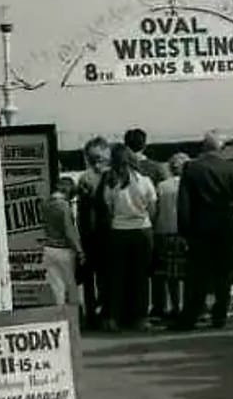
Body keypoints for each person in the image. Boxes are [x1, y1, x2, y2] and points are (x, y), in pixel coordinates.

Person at [173, 133, 233, 331]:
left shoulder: (192, 168)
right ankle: (220, 315)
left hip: (199, 225)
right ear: (221, 148)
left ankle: (191, 315)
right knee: (223, 273)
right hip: (224, 224)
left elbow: (184, 203)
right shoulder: (232, 168)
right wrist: (232, 214)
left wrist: (184, 230)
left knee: (197, 274)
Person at [104, 143, 158, 331]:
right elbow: (152, 209)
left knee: (117, 276)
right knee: (141, 277)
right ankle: (141, 318)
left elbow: (109, 209)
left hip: (119, 230)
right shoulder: (144, 181)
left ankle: (114, 318)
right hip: (142, 229)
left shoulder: (111, 182)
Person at [76, 136, 111, 329]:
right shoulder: (111, 176)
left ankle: (92, 314)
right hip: (105, 233)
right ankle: (105, 312)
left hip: (89, 233)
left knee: (90, 279)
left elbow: (82, 209)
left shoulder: (85, 178)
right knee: (105, 276)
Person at [152, 153, 191, 321]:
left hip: (164, 232)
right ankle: (189, 306)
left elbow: (155, 210)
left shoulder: (161, 186)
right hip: (185, 232)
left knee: (170, 276)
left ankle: (175, 306)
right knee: (188, 273)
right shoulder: (190, 185)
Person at [41, 176, 86, 308]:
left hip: (48, 248)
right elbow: (69, 231)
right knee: (71, 285)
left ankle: (59, 315)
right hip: (64, 250)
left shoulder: (45, 203)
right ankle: (73, 318)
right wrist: (79, 250)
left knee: (57, 288)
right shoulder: (64, 206)